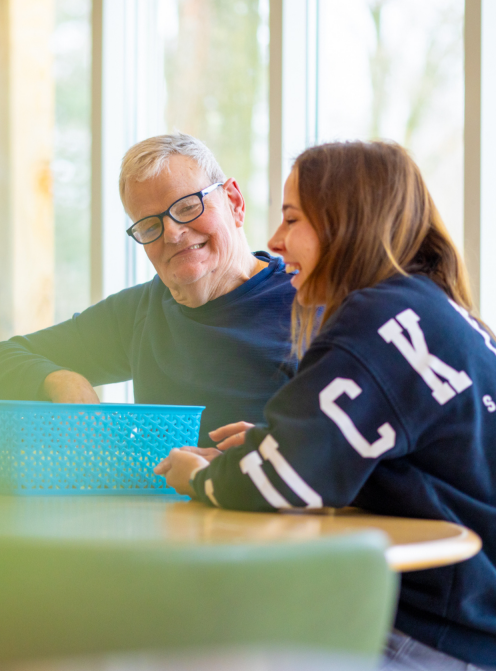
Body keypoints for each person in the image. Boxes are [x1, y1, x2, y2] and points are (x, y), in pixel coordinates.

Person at [156, 140, 496, 670]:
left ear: (345, 224)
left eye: (292, 220)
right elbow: (410, 467)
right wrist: (272, 447)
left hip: (431, 635)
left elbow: (282, 483)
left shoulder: (374, 323)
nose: (275, 240)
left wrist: (199, 476)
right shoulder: (433, 308)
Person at [0, 133, 296, 447]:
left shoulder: (310, 302)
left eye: (186, 207)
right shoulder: (140, 311)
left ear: (234, 202)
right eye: (150, 225)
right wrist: (58, 379)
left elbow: (344, 451)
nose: (172, 232)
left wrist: (268, 454)